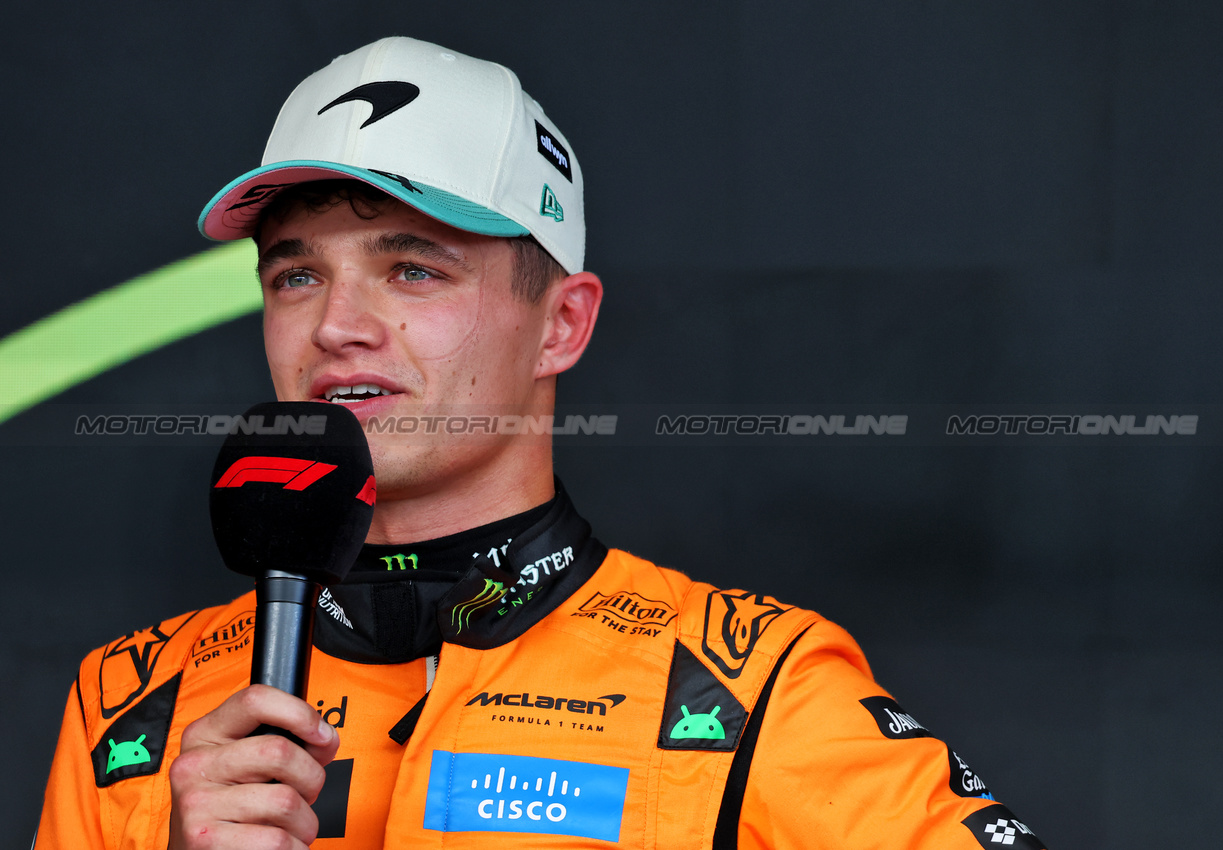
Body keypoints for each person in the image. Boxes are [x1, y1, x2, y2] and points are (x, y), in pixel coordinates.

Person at [36, 37, 1046, 849]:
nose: (336, 323)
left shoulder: (750, 685)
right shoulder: (131, 705)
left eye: (412, 269)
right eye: (296, 275)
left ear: (561, 325)